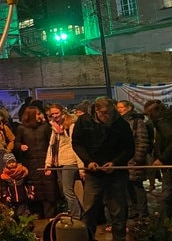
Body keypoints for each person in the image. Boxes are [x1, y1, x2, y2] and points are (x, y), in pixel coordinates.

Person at [72, 97, 134, 241]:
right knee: (89, 210)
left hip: (116, 172)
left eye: (111, 113)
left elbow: (129, 148)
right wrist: (88, 161)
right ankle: (87, 238)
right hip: (94, 172)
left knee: (118, 210)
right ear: (97, 110)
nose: (108, 117)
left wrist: (115, 162)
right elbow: (77, 143)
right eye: (105, 113)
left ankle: (119, 238)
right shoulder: (84, 121)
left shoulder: (121, 124)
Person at [14, 105, 58, 218]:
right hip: (30, 164)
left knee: (49, 190)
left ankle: (50, 215)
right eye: (37, 114)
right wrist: (20, 146)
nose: (40, 116)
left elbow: (52, 143)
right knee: (34, 190)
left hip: (45, 162)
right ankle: (36, 214)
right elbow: (16, 143)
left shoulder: (45, 127)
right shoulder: (21, 129)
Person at [43, 103, 84, 219]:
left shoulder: (70, 126)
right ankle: (75, 212)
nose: (54, 116)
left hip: (70, 161)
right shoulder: (55, 127)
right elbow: (51, 146)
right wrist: (48, 163)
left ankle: (76, 216)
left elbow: (75, 146)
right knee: (65, 191)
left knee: (68, 191)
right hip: (59, 162)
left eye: (57, 113)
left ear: (62, 112)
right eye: (52, 114)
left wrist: (81, 167)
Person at [116, 99, 150, 219]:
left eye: (121, 107)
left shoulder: (136, 121)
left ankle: (143, 211)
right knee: (127, 186)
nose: (119, 109)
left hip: (134, 159)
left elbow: (142, 140)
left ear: (129, 108)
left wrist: (138, 157)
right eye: (118, 107)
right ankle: (133, 209)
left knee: (137, 186)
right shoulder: (119, 121)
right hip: (125, 159)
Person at [143, 99, 172, 219]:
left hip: (170, 163)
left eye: (148, 114)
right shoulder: (167, 121)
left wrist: (162, 158)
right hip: (170, 161)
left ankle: (163, 223)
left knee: (167, 194)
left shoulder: (164, 123)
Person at [0, 152, 31, 217]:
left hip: (22, 197)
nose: (11, 164)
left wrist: (29, 192)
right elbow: (4, 187)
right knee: (13, 215)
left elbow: (28, 183)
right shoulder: (5, 176)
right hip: (12, 199)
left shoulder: (22, 172)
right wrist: (6, 195)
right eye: (9, 163)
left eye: (13, 162)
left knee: (22, 214)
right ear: (6, 164)